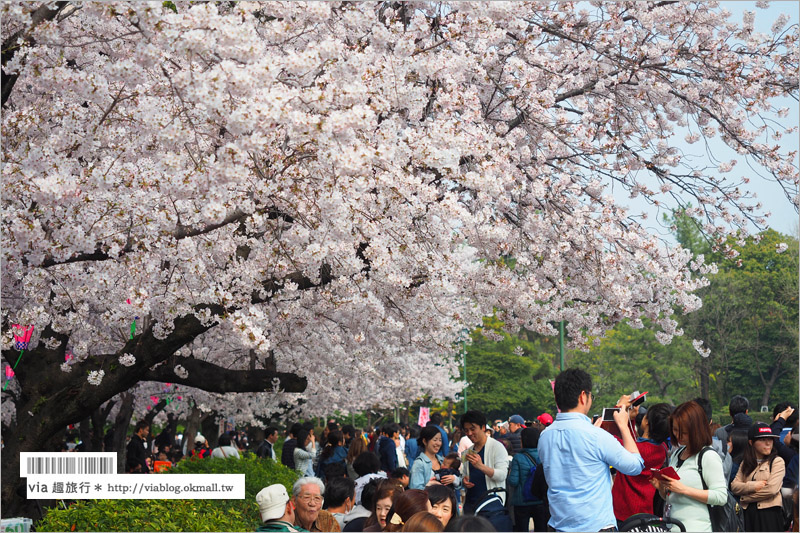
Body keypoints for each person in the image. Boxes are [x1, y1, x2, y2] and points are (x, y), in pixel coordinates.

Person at [538, 368, 644, 532]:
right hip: (596, 527)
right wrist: (623, 425)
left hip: (558, 526)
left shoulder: (545, 436)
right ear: (583, 396)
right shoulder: (596, 436)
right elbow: (635, 466)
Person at [650, 400, 728, 532]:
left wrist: (684, 489)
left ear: (696, 430)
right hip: (673, 526)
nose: (678, 435)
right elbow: (673, 497)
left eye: (684, 432)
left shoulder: (708, 456)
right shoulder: (677, 453)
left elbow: (721, 496)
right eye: (674, 430)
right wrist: (662, 489)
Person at [610, 402, 673, 526]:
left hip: (623, 512)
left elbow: (616, 441)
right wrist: (629, 419)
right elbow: (632, 441)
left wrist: (619, 408)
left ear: (646, 422)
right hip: (645, 512)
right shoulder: (662, 449)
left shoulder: (639, 450)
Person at [730, 422, 785, 531]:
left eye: (770, 439)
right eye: (762, 440)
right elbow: (734, 486)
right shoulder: (745, 462)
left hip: (769, 514)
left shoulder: (777, 461)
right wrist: (752, 486)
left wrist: (745, 498)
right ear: (751, 442)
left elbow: (771, 489)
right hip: (747, 514)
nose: (768, 443)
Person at [458, 409, 510, 525]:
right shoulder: (467, 452)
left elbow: (502, 475)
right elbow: (464, 475)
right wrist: (464, 481)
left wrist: (481, 466)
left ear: (483, 427)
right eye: (466, 430)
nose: (469, 433)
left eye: (473, 429)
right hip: (471, 505)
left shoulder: (497, 447)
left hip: (491, 506)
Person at [508, 426, 548, 532]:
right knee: (541, 529)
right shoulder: (544, 455)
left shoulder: (518, 457)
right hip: (540, 500)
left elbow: (513, 481)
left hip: (521, 502)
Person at [411, 426, 460, 490]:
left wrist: (454, 479)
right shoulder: (419, 464)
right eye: (435, 440)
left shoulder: (443, 460)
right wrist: (430, 485)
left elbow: (460, 483)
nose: (438, 443)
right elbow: (415, 489)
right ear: (425, 441)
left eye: (440, 440)